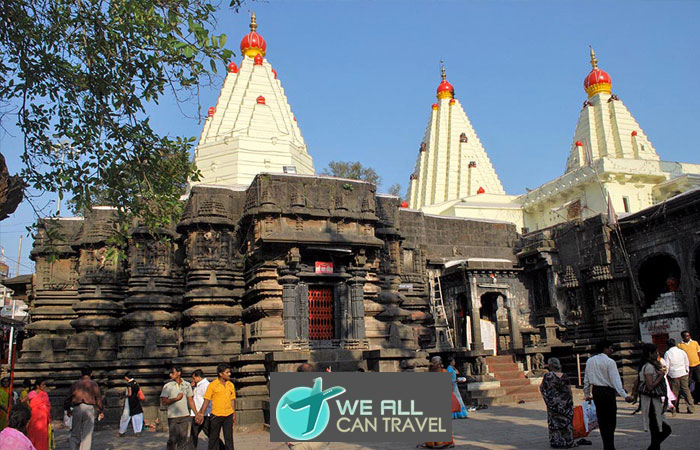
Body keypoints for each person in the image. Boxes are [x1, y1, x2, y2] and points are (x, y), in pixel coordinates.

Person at [583, 340, 634, 450]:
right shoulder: (610, 362)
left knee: (602, 419)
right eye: (610, 348)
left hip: (597, 391)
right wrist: (625, 395)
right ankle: (609, 445)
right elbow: (616, 381)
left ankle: (607, 444)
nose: (612, 350)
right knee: (611, 420)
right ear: (605, 349)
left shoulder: (590, 361)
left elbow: (586, 379)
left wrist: (587, 394)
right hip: (608, 392)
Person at [638, 343, 672, 450]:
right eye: (655, 352)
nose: (657, 354)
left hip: (652, 402)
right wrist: (660, 377)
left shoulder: (647, 365)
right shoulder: (648, 367)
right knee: (660, 429)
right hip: (651, 403)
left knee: (657, 430)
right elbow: (650, 386)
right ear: (650, 353)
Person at [195, 364, 236, 450]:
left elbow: (232, 400)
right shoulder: (213, 385)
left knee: (229, 437)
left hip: (228, 414)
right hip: (216, 415)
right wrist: (201, 413)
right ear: (220, 374)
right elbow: (206, 400)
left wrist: (233, 413)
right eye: (227, 372)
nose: (229, 374)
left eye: (229, 372)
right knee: (213, 438)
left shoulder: (230, 385)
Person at [540, 358, 577, 448]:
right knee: (567, 423)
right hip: (565, 403)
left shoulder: (548, 376)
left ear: (550, 365)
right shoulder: (565, 376)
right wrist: (570, 402)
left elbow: (542, 389)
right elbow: (569, 391)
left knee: (554, 423)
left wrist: (548, 401)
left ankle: (557, 441)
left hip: (553, 403)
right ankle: (568, 441)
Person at [64, 368, 104, 450]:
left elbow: (68, 398)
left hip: (77, 408)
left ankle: (73, 448)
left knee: (75, 432)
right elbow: (98, 399)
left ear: (81, 373)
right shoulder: (94, 384)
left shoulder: (75, 384)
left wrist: (67, 408)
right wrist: (100, 409)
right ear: (91, 373)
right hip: (89, 408)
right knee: (87, 434)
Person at [161, 365, 196, 450]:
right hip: (173, 416)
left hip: (185, 415)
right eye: (170, 373)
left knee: (183, 438)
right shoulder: (167, 386)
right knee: (173, 439)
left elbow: (190, 400)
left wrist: (196, 413)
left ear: (179, 373)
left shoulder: (187, 385)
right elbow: (164, 401)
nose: (170, 375)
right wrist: (176, 399)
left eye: (172, 373)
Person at [423, 356, 454, 449]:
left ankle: (446, 442)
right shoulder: (432, 372)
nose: (432, 364)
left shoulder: (444, 372)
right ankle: (431, 442)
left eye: (434, 362)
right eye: (432, 362)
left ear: (439, 364)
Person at [191, 369, 224, 450]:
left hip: (204, 413)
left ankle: (222, 447)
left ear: (198, 377)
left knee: (209, 434)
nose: (193, 380)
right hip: (198, 413)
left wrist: (201, 413)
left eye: (194, 378)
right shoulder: (198, 385)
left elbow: (207, 400)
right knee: (194, 434)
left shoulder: (206, 385)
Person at [663, 338, 693, 414]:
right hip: (683, 373)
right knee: (686, 391)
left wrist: (665, 375)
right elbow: (686, 361)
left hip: (673, 374)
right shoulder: (682, 351)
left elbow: (667, 365)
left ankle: (674, 407)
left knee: (674, 392)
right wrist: (687, 370)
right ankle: (691, 408)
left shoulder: (668, 353)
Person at [26, 378, 51, 450]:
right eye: (43, 385)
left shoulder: (45, 394)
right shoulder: (32, 393)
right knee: (33, 433)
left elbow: (47, 405)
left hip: (43, 417)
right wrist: (29, 407)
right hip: (34, 416)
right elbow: (22, 401)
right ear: (37, 386)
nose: (44, 386)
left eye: (45, 385)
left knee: (42, 434)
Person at [678, 330, 700, 404]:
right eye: (686, 336)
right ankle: (692, 398)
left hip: (697, 365)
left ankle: (698, 399)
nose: (688, 337)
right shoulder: (680, 346)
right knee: (688, 384)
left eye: (689, 335)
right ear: (683, 337)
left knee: (698, 382)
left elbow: (699, 353)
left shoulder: (695, 343)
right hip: (687, 367)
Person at [119, 372, 144, 437]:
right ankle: (137, 431)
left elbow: (129, 394)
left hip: (129, 401)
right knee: (137, 415)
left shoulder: (129, 384)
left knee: (125, 416)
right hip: (136, 400)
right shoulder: (136, 383)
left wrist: (124, 396)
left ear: (127, 377)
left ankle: (122, 431)